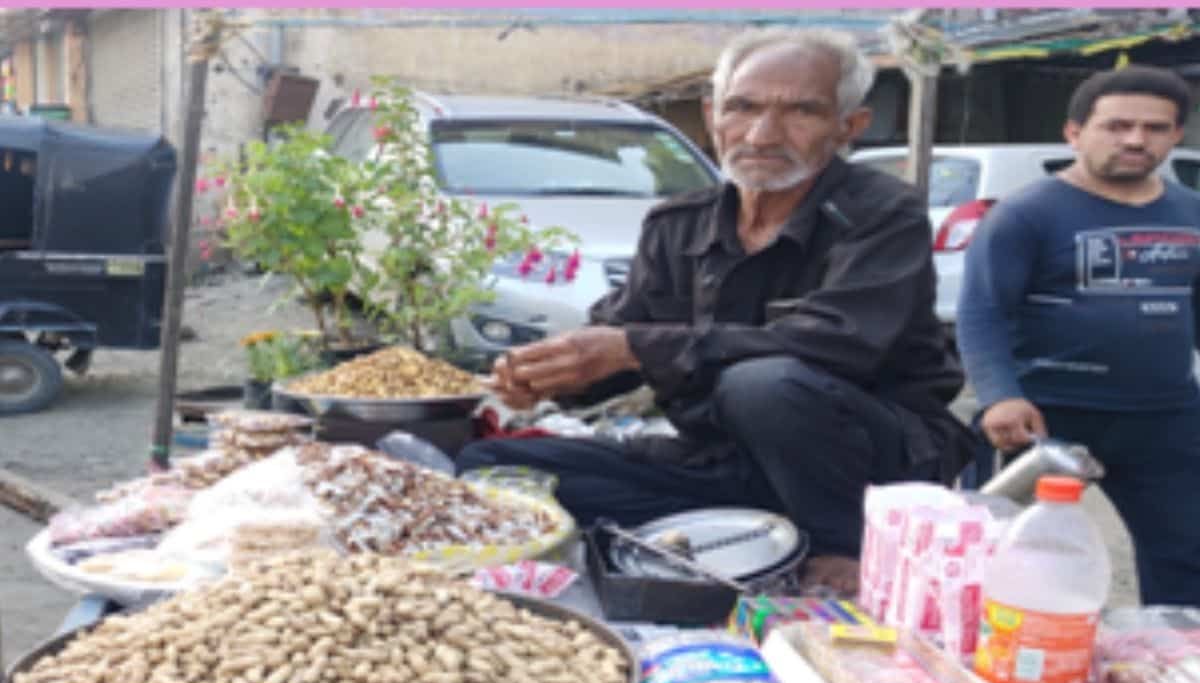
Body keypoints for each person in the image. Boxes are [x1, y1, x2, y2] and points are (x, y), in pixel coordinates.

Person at [456, 28, 973, 593]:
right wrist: (551, 375)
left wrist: (635, 348)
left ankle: (839, 547)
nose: (762, 134)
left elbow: (839, 343)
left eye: (802, 111)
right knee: (492, 469)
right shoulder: (679, 224)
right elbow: (621, 339)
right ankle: (751, 530)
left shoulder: (882, 214)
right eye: (742, 107)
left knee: (761, 385)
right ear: (711, 116)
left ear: (849, 127)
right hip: (724, 461)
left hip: (863, 468)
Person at [957, 65, 1200, 606]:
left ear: (1176, 136)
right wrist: (1000, 396)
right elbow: (982, 314)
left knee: (1186, 554)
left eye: (1155, 128)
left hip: (1165, 417)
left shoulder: (1190, 214)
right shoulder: (1027, 214)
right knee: (1012, 556)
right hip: (1044, 418)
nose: (1136, 139)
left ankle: (1173, 673)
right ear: (1074, 133)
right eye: (1117, 126)